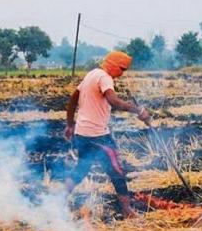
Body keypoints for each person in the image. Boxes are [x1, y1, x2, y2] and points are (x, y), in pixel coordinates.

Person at [64, 50, 150, 218]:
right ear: (114, 66)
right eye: (122, 69)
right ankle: (127, 210)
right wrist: (137, 109)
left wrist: (70, 124)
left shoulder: (92, 74)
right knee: (117, 170)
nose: (122, 74)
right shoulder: (104, 77)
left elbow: (73, 99)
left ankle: (57, 199)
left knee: (82, 168)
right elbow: (114, 101)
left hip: (82, 133)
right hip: (97, 135)